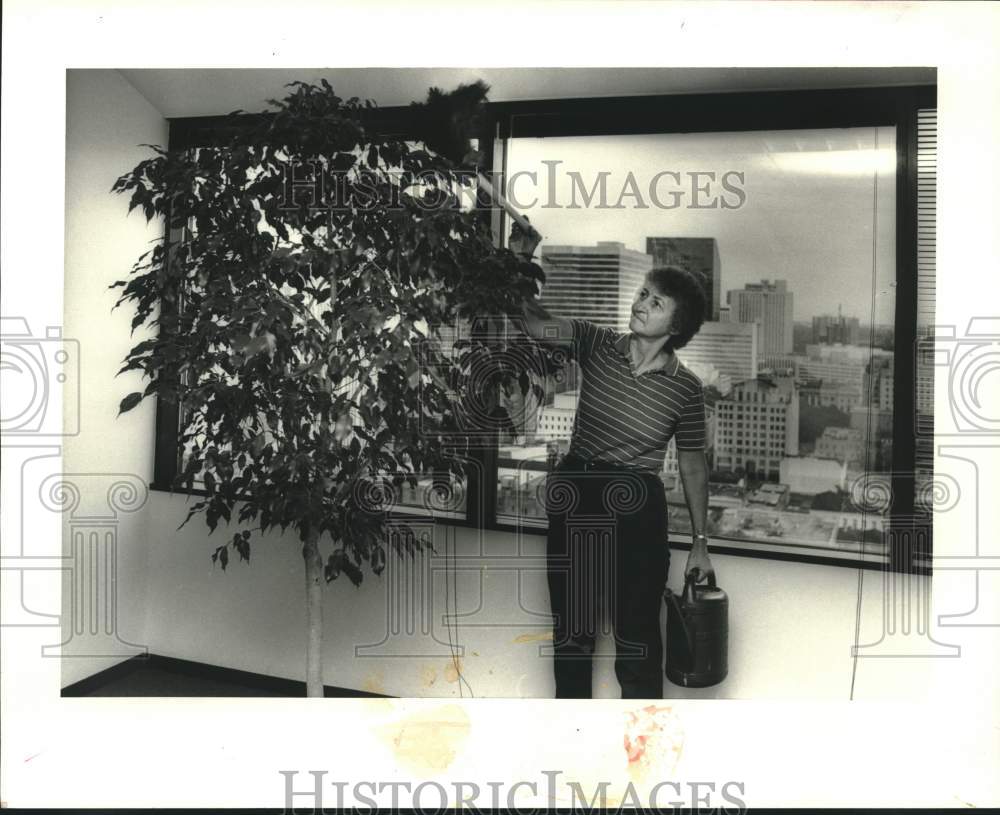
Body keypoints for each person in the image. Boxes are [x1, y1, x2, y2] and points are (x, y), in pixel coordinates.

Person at [508, 225, 713, 699]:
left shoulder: (686, 388)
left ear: (676, 326)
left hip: (638, 506)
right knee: (573, 635)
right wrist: (520, 259)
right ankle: (572, 747)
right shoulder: (595, 342)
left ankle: (641, 760)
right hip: (579, 489)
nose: (640, 304)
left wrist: (701, 542)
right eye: (642, 294)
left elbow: (693, 466)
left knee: (637, 640)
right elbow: (536, 324)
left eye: (656, 302)